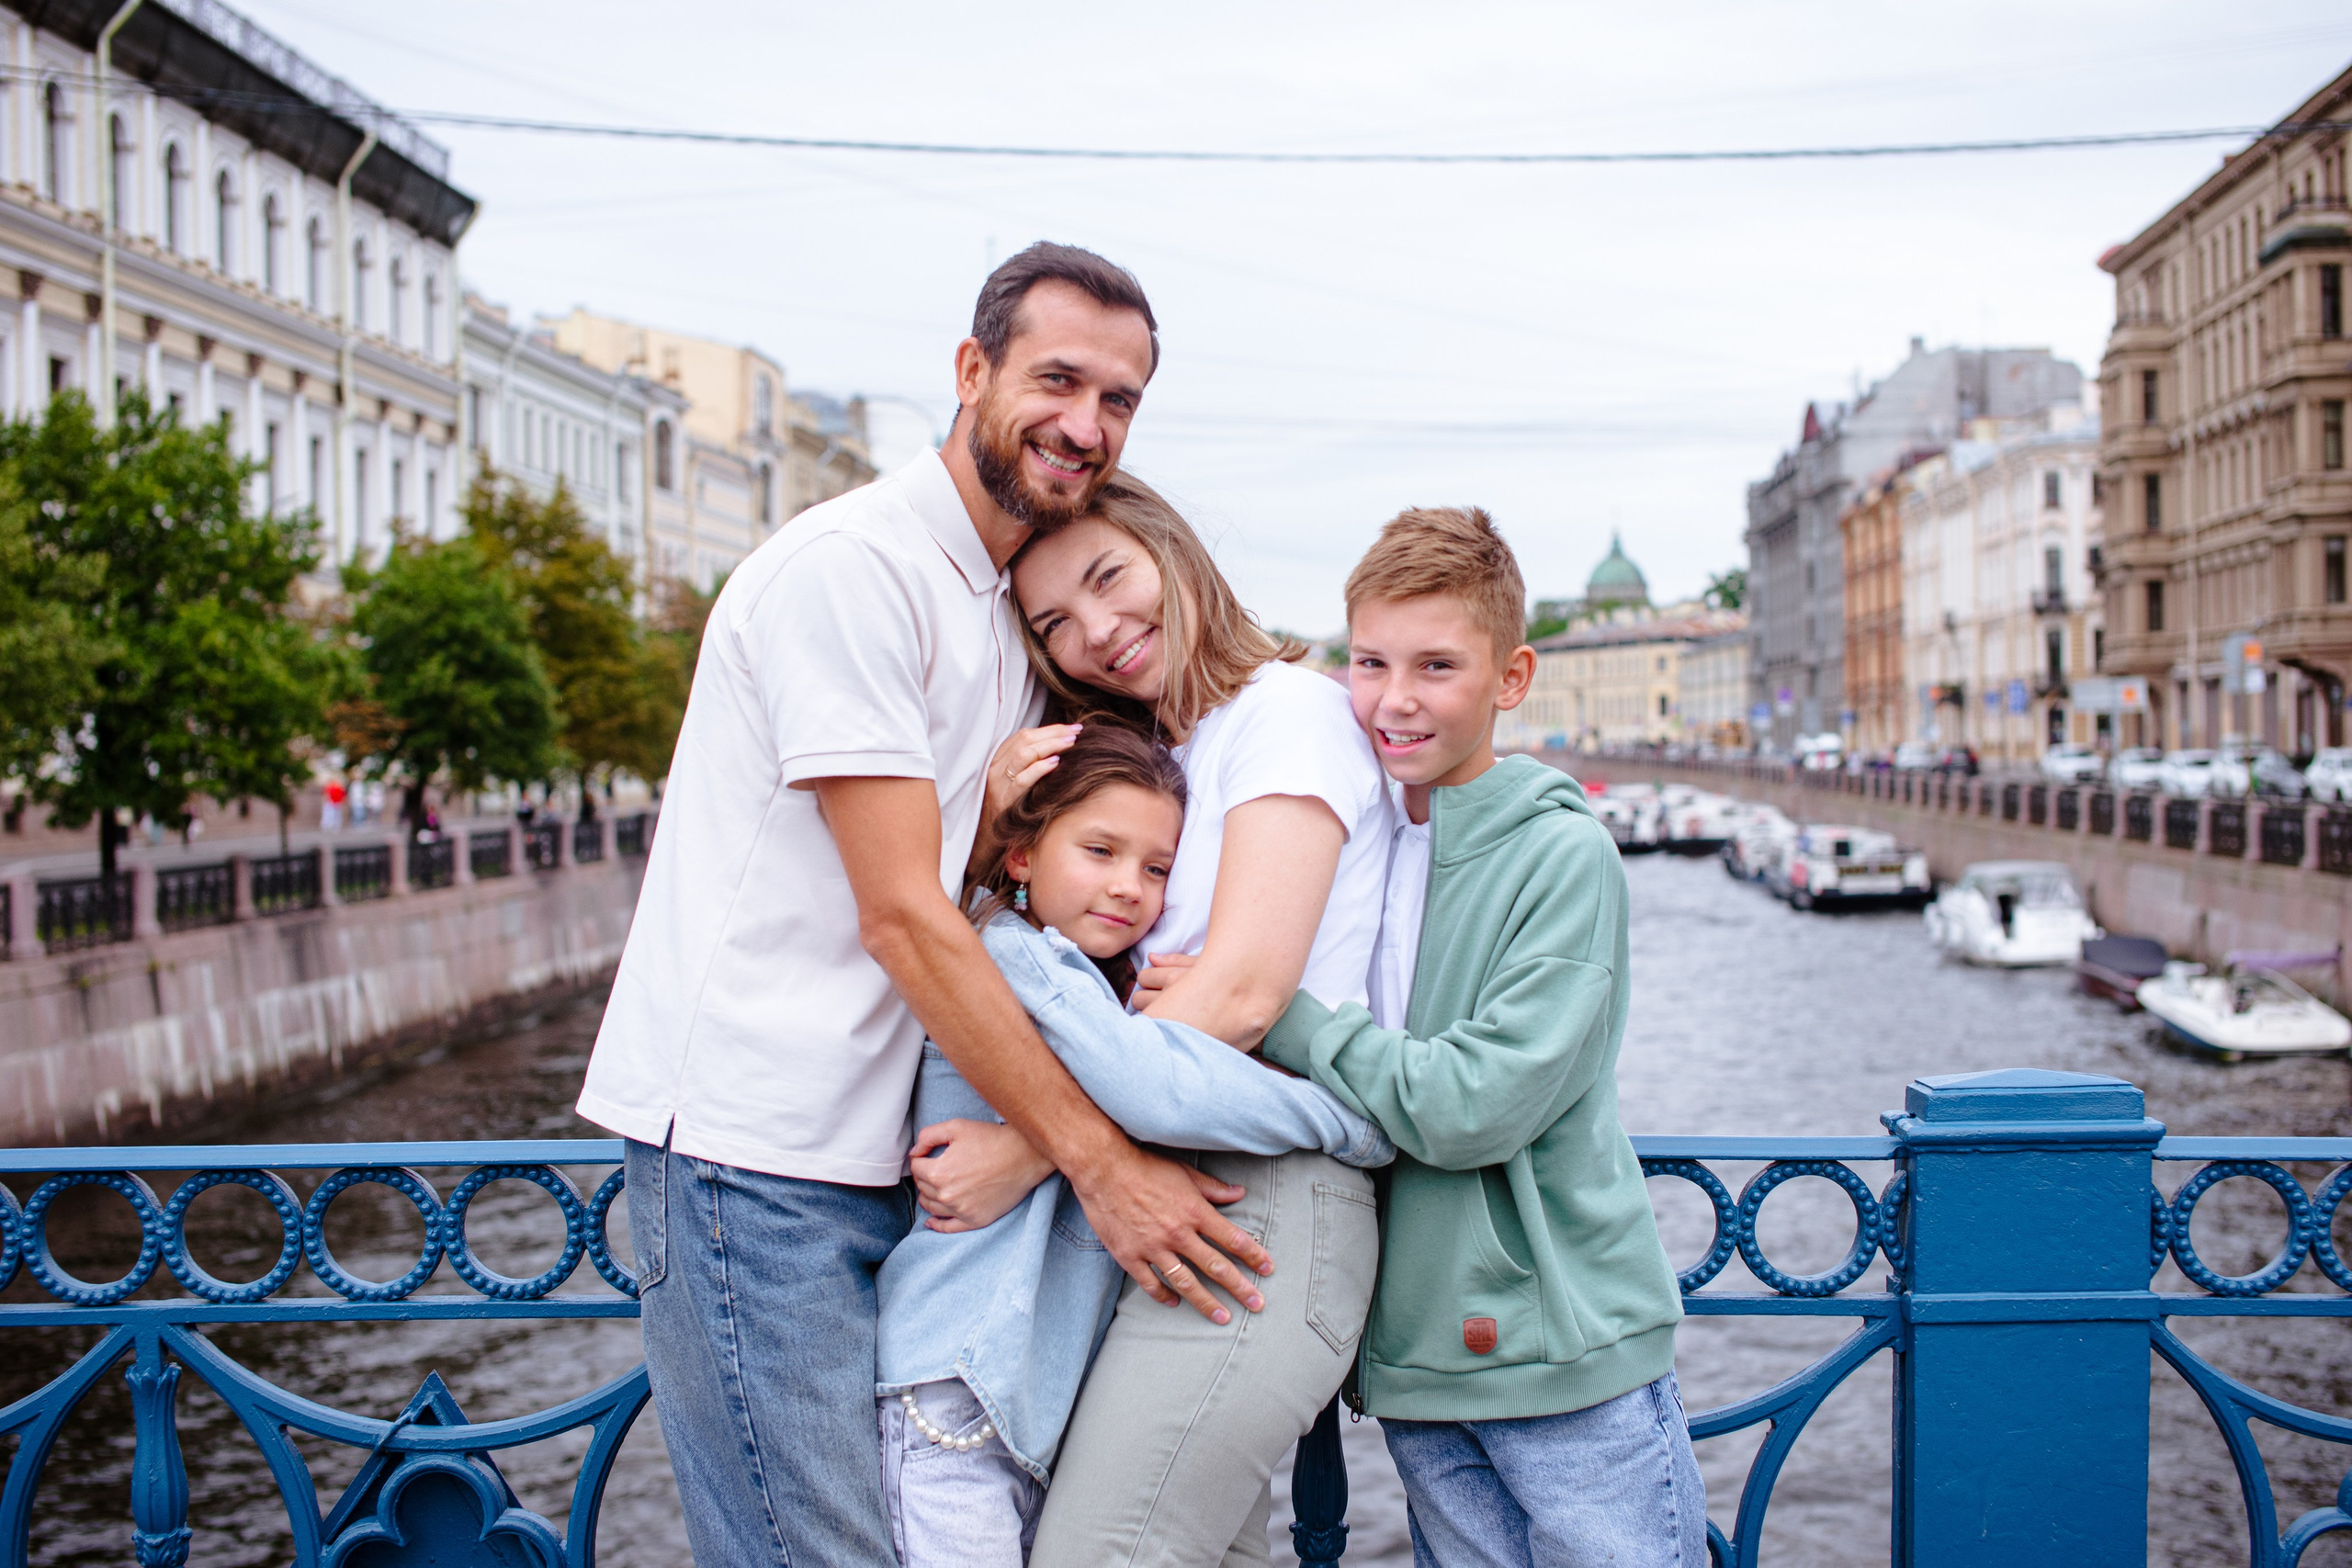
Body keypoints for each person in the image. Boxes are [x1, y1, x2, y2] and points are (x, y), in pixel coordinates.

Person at [574, 244, 1275, 1568]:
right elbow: (902, 915)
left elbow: (1021, 905)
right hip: (751, 1153)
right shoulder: (856, 570)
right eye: (1058, 378)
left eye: (1119, 399)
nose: (1086, 423)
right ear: (972, 371)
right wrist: (1096, 1159)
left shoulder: (1009, 612)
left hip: (887, 1162)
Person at [918, 475, 1394, 1565]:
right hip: (1191, 1199)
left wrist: (1030, 1152)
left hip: (1262, 1209)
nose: (1096, 633)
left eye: (1107, 578)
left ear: (1170, 550)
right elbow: (1135, 1016)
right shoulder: (1175, 760)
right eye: (1054, 625)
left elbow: (1234, 1000)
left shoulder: (1284, 712)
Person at [1261, 507, 1702, 1566]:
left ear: (1511, 679)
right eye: (1369, 662)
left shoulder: (1562, 856)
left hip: (1562, 1348)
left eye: (1436, 666)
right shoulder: (1353, 834)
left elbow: (1471, 1105)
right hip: (1419, 1354)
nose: (1394, 698)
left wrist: (1281, 1013)